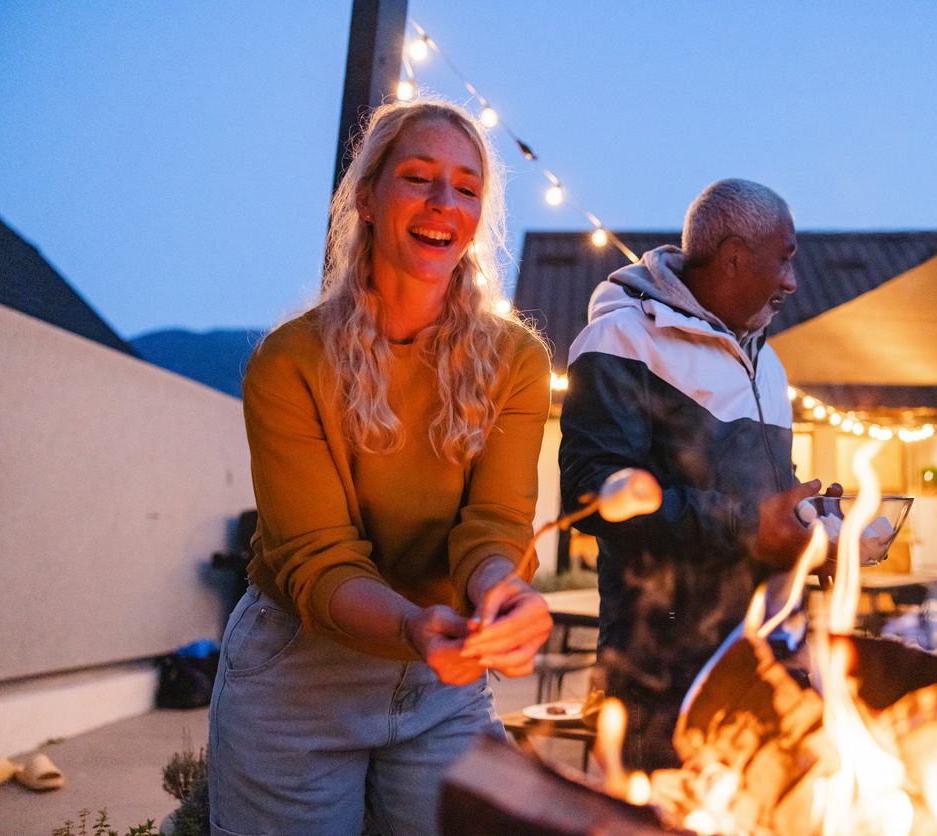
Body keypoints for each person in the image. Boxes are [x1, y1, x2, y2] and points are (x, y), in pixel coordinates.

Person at [208, 99, 553, 836]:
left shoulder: (515, 361)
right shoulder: (288, 363)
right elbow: (318, 561)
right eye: (419, 178)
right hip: (301, 673)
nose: (443, 204)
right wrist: (410, 625)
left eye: (465, 187)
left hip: (443, 675)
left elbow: (491, 526)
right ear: (366, 200)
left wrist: (504, 591)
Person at [559, 178, 837, 771]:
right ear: (734, 256)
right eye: (784, 259)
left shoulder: (769, 363)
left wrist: (817, 528)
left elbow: (763, 505)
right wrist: (744, 528)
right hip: (662, 676)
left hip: (768, 656)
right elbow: (590, 492)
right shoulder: (622, 338)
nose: (792, 281)